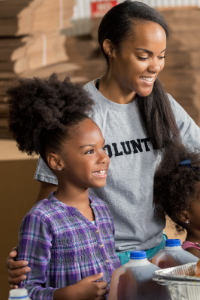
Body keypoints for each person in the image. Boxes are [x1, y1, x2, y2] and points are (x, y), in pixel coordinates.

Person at [6, 2, 200, 288]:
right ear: (110, 48)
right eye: (143, 56)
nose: (155, 66)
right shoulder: (81, 116)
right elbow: (51, 201)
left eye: (161, 56)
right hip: (101, 263)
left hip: (156, 255)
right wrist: (31, 257)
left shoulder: (160, 104)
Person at [7, 75, 120, 299]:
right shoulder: (41, 218)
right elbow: (24, 292)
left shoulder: (103, 211)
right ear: (56, 162)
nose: (104, 158)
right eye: (90, 151)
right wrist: (67, 294)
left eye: (102, 148)